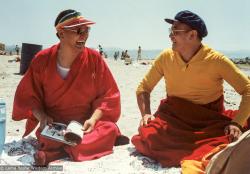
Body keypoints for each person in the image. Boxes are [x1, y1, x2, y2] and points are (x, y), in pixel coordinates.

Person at [132, 10, 250, 170]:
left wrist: (237, 122)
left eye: (175, 31)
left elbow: (247, 88)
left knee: (233, 134)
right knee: (146, 135)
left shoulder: (216, 60)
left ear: (192, 35)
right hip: (173, 118)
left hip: (207, 122)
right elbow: (144, 88)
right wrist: (146, 113)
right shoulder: (166, 57)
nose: (170, 35)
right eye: (170, 31)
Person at [12, 9, 128, 166]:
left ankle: (53, 154)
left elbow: (108, 95)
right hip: (55, 125)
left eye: (87, 30)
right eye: (79, 30)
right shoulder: (42, 60)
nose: (84, 35)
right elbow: (28, 96)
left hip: (85, 125)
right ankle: (73, 148)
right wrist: (42, 117)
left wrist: (93, 119)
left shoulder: (94, 59)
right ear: (61, 33)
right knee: (47, 136)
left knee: (109, 128)